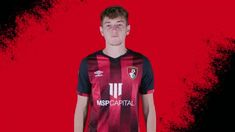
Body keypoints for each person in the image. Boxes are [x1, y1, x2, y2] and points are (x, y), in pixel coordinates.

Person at [74, 5, 156, 132]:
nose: (114, 30)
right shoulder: (88, 63)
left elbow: (149, 108)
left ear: (128, 29)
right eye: (108, 25)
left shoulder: (141, 62)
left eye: (119, 25)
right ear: (101, 30)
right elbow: (81, 108)